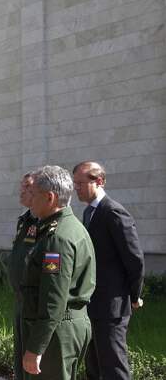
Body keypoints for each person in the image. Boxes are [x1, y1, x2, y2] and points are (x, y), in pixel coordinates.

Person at [21, 165, 95, 380]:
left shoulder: (58, 238)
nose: (30, 199)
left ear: (50, 197)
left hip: (56, 332)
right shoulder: (69, 227)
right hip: (63, 326)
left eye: (34, 195)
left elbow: (53, 299)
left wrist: (36, 347)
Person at [72, 161, 145, 380]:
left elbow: (134, 259)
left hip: (112, 306)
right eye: (75, 183)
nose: (76, 188)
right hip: (92, 303)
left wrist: (134, 295)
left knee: (113, 366)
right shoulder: (88, 213)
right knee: (93, 365)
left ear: (100, 181)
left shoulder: (113, 212)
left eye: (81, 183)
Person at [9, 173, 38, 380]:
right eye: (22, 186)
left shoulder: (46, 224)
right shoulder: (25, 220)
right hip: (20, 299)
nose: (22, 190)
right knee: (20, 359)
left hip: (36, 302)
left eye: (27, 187)